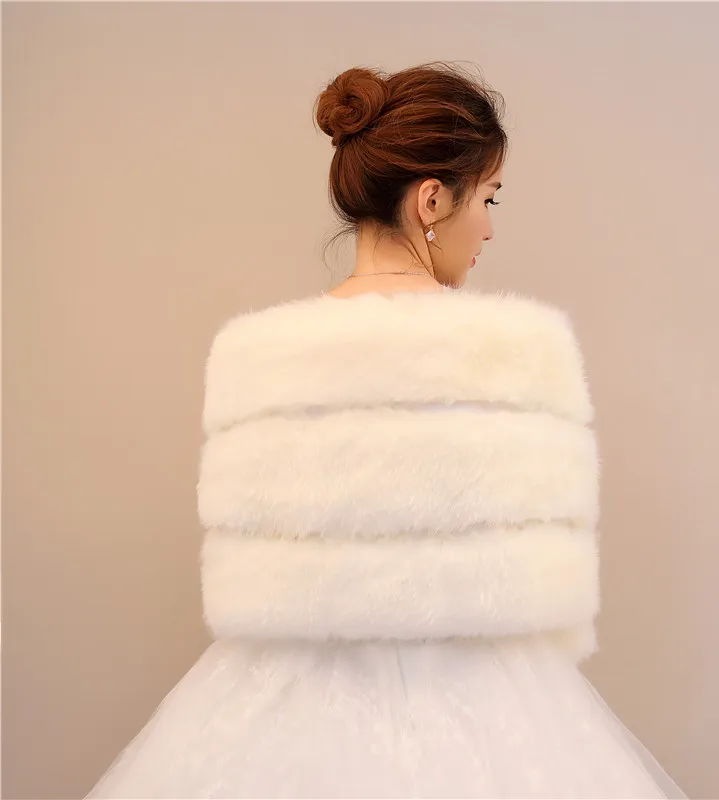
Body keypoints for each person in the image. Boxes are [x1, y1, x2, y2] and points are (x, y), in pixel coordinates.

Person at [87, 62, 686, 799]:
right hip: (490, 711)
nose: (490, 226)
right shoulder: (517, 354)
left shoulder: (258, 357)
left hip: (284, 717)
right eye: (489, 197)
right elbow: (530, 577)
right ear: (433, 199)